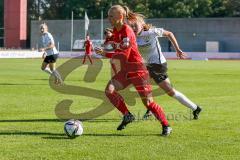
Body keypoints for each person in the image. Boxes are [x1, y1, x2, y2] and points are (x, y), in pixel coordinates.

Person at [95, 5, 172, 136]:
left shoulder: (127, 31)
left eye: (111, 16)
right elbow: (114, 45)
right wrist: (105, 47)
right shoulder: (116, 30)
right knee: (109, 91)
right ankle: (127, 115)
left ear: (120, 16)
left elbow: (123, 55)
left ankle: (166, 125)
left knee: (148, 103)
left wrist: (105, 54)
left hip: (138, 70)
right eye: (108, 16)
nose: (108, 18)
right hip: (125, 70)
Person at [125, 8, 202, 120]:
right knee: (147, 86)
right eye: (130, 26)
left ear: (142, 24)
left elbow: (169, 33)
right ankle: (151, 108)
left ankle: (195, 108)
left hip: (158, 65)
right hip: (147, 65)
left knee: (168, 91)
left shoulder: (151, 32)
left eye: (135, 25)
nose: (133, 28)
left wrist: (178, 49)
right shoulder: (132, 37)